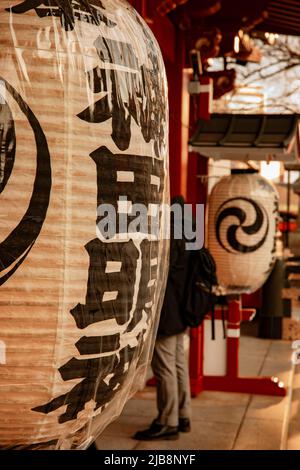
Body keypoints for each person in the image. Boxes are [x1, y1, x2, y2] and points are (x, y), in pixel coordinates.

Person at [133, 196, 191, 441]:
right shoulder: (189, 239)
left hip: (166, 314)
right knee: (178, 363)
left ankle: (168, 422)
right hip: (181, 312)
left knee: (164, 367)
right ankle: (183, 414)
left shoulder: (170, 243)